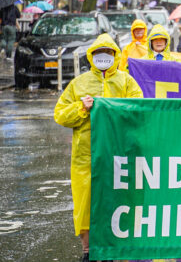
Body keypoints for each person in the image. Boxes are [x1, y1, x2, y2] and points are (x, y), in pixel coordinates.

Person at [54, 34, 143, 262]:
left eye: (109, 52)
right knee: (86, 204)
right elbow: (60, 115)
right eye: (99, 52)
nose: (104, 56)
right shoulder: (79, 83)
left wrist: (118, 109)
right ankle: (88, 251)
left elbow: (139, 110)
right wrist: (81, 108)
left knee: (119, 201)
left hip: (119, 154)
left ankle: (115, 249)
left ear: (115, 55)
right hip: (86, 156)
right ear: (92, 56)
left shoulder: (126, 82)